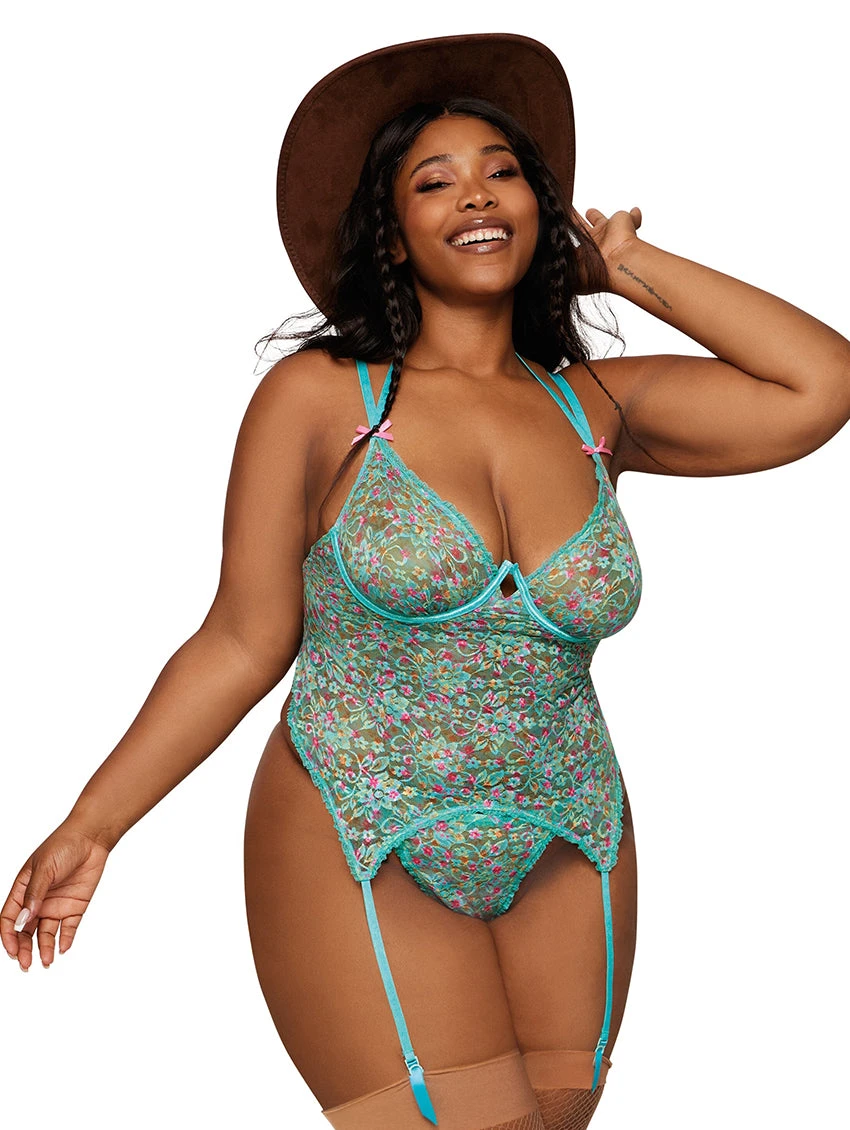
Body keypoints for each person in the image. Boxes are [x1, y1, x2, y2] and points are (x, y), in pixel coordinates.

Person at [2, 31, 848, 1130]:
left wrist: (624, 263)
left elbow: (819, 385)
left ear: (542, 207)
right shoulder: (323, 397)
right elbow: (244, 638)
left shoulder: (595, 407)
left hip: (571, 826)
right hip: (359, 818)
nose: (477, 195)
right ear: (391, 235)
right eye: (434, 182)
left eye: (503, 172)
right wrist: (95, 822)